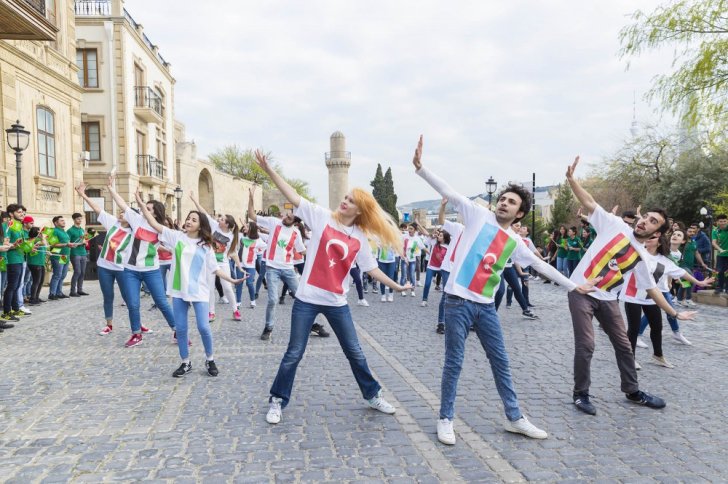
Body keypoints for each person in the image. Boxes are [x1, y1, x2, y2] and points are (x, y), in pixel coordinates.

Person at [412, 136, 596, 445]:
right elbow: (449, 192)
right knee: (454, 362)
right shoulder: (476, 215)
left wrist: (573, 285)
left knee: (501, 361)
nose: (504, 202)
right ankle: (446, 418)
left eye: (511, 202)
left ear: (520, 213)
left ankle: (515, 417)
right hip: (457, 302)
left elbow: (542, 266)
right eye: (503, 198)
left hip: (485, 308)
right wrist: (421, 168)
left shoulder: (516, 242)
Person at [254, 150, 409, 425]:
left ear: (360, 210)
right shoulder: (321, 216)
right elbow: (293, 196)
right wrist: (269, 171)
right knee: (294, 352)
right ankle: (277, 400)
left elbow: (371, 269)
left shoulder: (359, 237)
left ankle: (373, 395)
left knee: (355, 352)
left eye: (350, 200)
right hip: (307, 299)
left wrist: (396, 286)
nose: (344, 201)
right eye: (345, 197)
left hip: (337, 303)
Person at [564, 155, 695, 416]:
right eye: (645, 216)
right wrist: (571, 180)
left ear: (657, 234)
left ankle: (632, 391)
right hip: (581, 292)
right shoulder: (613, 225)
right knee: (587, 344)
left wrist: (674, 313)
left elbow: (652, 289)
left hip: (609, 299)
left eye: (653, 221)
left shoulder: (641, 258)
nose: (644, 221)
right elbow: (589, 202)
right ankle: (581, 394)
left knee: (624, 344)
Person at [134, 188, 245, 377]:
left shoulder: (206, 245)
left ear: (200, 225)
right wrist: (140, 202)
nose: (188, 221)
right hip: (178, 290)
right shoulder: (176, 237)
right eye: (188, 218)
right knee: (182, 328)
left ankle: (210, 359)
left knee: (203, 326)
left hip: (199, 291)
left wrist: (232, 279)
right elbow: (152, 222)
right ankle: (185, 362)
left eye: (194, 220)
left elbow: (215, 268)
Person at [107, 176, 176, 347]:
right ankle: (136, 334)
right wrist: (111, 189)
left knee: (161, 302)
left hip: (151, 270)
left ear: (156, 212)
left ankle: (177, 331)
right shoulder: (136, 220)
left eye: (150, 208)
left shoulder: (161, 230)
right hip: (130, 270)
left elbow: (174, 246)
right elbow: (122, 204)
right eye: (146, 206)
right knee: (133, 304)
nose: (145, 209)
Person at [248, 187, 324, 341]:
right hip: (272, 268)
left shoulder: (296, 233)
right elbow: (251, 215)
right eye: (287, 214)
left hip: (288, 269)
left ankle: (312, 325)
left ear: (295, 222)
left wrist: (320, 257)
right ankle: (268, 327)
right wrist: (251, 197)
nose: (286, 217)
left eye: (290, 217)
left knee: (302, 297)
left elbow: (302, 251)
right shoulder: (273, 222)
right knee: (272, 299)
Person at [75, 182, 133, 335]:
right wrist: (83, 195)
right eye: (120, 212)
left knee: (128, 298)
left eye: (124, 213)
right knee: (108, 296)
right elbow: (97, 208)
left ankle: (138, 324)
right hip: (105, 267)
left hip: (122, 268)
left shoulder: (134, 233)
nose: (120, 214)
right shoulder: (113, 223)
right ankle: (109, 324)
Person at [189, 193, 244, 322]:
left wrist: (240, 267)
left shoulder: (232, 236)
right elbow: (203, 213)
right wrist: (195, 201)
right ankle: (211, 312)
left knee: (227, 287)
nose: (219, 219)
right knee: (210, 287)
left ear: (227, 224)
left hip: (223, 263)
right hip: (209, 263)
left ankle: (235, 310)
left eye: (222, 219)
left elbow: (233, 253)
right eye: (220, 218)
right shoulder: (213, 225)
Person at [2, 204, 28, 320]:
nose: (22, 214)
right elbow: (6, 244)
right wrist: (15, 245)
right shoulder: (8, 225)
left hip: (20, 258)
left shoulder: (19, 226)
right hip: (12, 259)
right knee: (11, 286)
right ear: (11, 214)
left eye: (22, 212)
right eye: (19, 212)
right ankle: (7, 312)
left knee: (17, 285)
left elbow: (19, 243)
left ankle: (15, 308)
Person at [236, 221, 266, 308]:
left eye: (247, 226)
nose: (244, 227)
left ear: (251, 229)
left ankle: (252, 301)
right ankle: (238, 302)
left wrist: (257, 252)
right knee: (239, 283)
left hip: (251, 265)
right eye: (244, 226)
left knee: (249, 283)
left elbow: (265, 247)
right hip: (240, 264)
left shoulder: (257, 240)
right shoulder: (241, 236)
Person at [48, 215, 75, 300]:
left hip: (64, 256)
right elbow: (53, 244)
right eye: (61, 221)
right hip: (57, 256)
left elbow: (66, 243)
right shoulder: (54, 231)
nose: (64, 222)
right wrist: (66, 244)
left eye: (64, 220)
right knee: (57, 275)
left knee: (62, 275)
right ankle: (52, 293)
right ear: (56, 223)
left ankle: (59, 292)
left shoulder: (64, 232)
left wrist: (70, 245)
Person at [421, 229, 448, 307]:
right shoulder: (434, 242)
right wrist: (432, 235)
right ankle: (424, 300)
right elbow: (426, 236)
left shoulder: (448, 246)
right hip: (431, 266)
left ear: (445, 238)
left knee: (446, 286)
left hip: (442, 268)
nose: (438, 236)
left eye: (440, 236)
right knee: (427, 284)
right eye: (438, 235)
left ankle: (446, 301)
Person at [67, 212, 90, 297]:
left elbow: (86, 241)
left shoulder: (82, 230)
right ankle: (72, 291)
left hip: (83, 253)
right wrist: (80, 243)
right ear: (74, 220)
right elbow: (68, 242)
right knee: (77, 271)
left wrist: (86, 243)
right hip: (75, 253)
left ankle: (80, 290)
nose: (80, 220)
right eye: (78, 219)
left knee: (83, 272)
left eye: (81, 219)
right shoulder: (70, 230)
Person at [712, 214, 728, 295]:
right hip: (721, 255)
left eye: (724, 221)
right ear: (717, 222)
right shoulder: (715, 231)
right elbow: (714, 242)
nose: (723, 223)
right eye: (721, 221)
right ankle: (720, 288)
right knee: (720, 271)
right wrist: (720, 249)